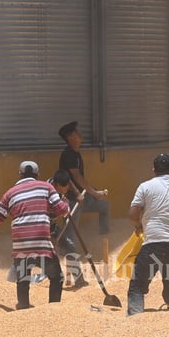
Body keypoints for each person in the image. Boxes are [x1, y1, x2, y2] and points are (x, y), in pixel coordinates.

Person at [0, 160, 70, 310]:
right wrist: (66, 204)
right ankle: (53, 311)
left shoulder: (9, 194)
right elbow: (60, 209)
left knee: (23, 279)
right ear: (37, 174)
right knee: (56, 277)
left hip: (21, 243)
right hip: (41, 242)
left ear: (20, 174)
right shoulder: (47, 187)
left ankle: (23, 308)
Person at [126, 153, 169, 316]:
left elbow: (132, 215)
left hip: (152, 246)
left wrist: (139, 227)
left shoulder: (145, 187)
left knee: (137, 287)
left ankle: (135, 320)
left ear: (154, 170)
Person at [57, 120, 110, 286]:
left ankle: (104, 241)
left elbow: (81, 180)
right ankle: (77, 278)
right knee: (70, 240)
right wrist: (94, 193)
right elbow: (77, 178)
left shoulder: (76, 154)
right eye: (76, 132)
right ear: (70, 137)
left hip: (82, 199)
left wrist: (95, 193)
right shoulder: (69, 154)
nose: (80, 134)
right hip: (72, 202)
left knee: (104, 206)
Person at [48, 169, 86, 286]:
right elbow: (62, 212)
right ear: (57, 185)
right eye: (64, 187)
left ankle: (79, 280)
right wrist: (65, 205)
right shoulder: (49, 194)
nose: (67, 189)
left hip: (52, 224)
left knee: (69, 247)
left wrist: (77, 194)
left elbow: (68, 181)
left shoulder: (57, 181)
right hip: (42, 226)